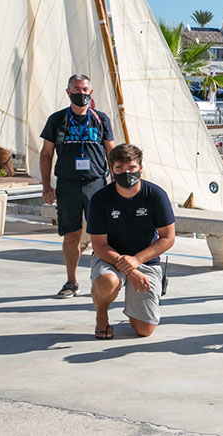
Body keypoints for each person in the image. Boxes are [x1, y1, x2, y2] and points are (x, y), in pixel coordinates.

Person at [87, 144, 175, 339]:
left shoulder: (156, 195)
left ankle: (136, 308)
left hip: (145, 260)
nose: (126, 173)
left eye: (131, 168)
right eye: (119, 169)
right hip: (110, 258)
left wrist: (137, 261)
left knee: (144, 330)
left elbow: (168, 238)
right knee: (106, 282)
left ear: (141, 168)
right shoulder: (100, 199)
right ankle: (101, 316)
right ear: (111, 171)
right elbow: (99, 245)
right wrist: (130, 269)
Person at [40, 74, 116, 299]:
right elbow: (46, 154)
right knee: (72, 234)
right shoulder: (57, 120)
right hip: (68, 184)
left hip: (96, 183)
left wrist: (116, 184)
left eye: (84, 90)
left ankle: (104, 280)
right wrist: (46, 185)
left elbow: (111, 152)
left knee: (102, 235)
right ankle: (71, 282)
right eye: (76, 89)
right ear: (68, 92)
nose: (80, 94)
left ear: (90, 93)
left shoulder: (101, 119)